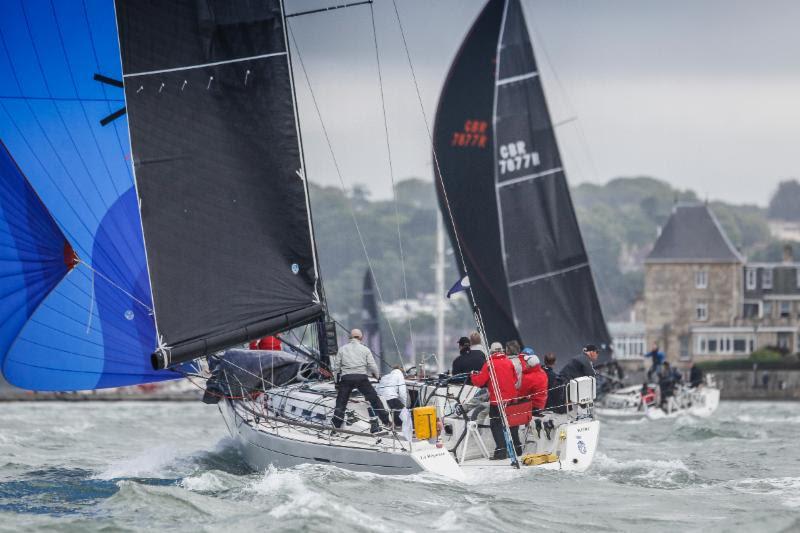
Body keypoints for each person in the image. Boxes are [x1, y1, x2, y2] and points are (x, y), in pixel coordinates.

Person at [331, 328, 390, 432]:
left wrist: (336, 382)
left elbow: (336, 368)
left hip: (346, 378)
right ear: (361, 338)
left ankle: (336, 426)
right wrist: (377, 376)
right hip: (361, 378)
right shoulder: (365, 349)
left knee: (341, 402)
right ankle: (386, 421)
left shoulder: (342, 349)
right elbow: (373, 366)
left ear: (350, 337)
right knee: (374, 399)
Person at [470, 342, 521, 460]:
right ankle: (518, 449)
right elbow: (514, 379)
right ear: (502, 350)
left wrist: (473, 376)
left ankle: (501, 452)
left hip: (496, 401)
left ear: (491, 352)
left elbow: (480, 382)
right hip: (512, 400)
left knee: (496, 425)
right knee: (512, 424)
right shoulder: (509, 362)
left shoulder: (489, 364)